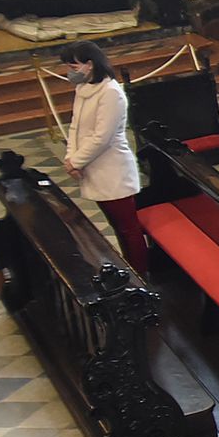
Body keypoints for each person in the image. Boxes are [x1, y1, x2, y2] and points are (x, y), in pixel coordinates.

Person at [58, 41, 147, 273]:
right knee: (117, 227)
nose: (70, 72)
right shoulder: (83, 89)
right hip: (92, 167)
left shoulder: (111, 93)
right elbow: (75, 127)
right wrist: (70, 157)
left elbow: (102, 137)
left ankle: (140, 273)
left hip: (112, 170)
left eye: (73, 66)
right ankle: (129, 270)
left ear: (90, 64)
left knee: (128, 228)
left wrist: (76, 162)